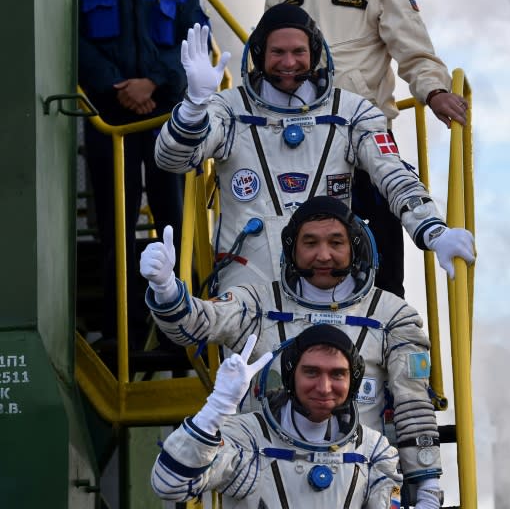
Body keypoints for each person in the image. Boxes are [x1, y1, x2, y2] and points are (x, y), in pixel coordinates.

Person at [141, 196, 445, 508]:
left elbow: (414, 403)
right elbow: (196, 325)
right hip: (259, 461)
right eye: (310, 242)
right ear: (291, 248)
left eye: (336, 242)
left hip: (354, 470)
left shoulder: (393, 316)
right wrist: (166, 290)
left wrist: (428, 490)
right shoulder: (258, 305)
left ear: (354, 247)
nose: (323, 255)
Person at [153, 3, 474, 296]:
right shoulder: (232, 109)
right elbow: (172, 159)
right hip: (282, 150)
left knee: (379, 280)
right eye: (279, 53)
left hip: (357, 142)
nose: (288, 62)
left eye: (298, 52)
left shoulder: (353, 113)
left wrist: (434, 90)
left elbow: (413, 47)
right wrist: (195, 107)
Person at [265, 0, 469, 297]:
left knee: (379, 270)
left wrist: (434, 90)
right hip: (294, 143)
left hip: (363, 140)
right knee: (291, 263)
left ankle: (387, 336)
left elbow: (415, 50)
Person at [151, 325, 403, 507]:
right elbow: (169, 484)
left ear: (353, 382)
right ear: (291, 376)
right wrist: (216, 407)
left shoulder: (374, 451)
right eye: (311, 372)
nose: (325, 387)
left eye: (337, 374)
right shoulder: (246, 438)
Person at [78, 0, 208, 348]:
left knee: (176, 222)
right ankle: (121, 331)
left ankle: (181, 327)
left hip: (166, 116)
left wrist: (152, 81)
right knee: (115, 224)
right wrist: (117, 85)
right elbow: (74, 42)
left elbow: (197, 36)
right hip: (108, 114)